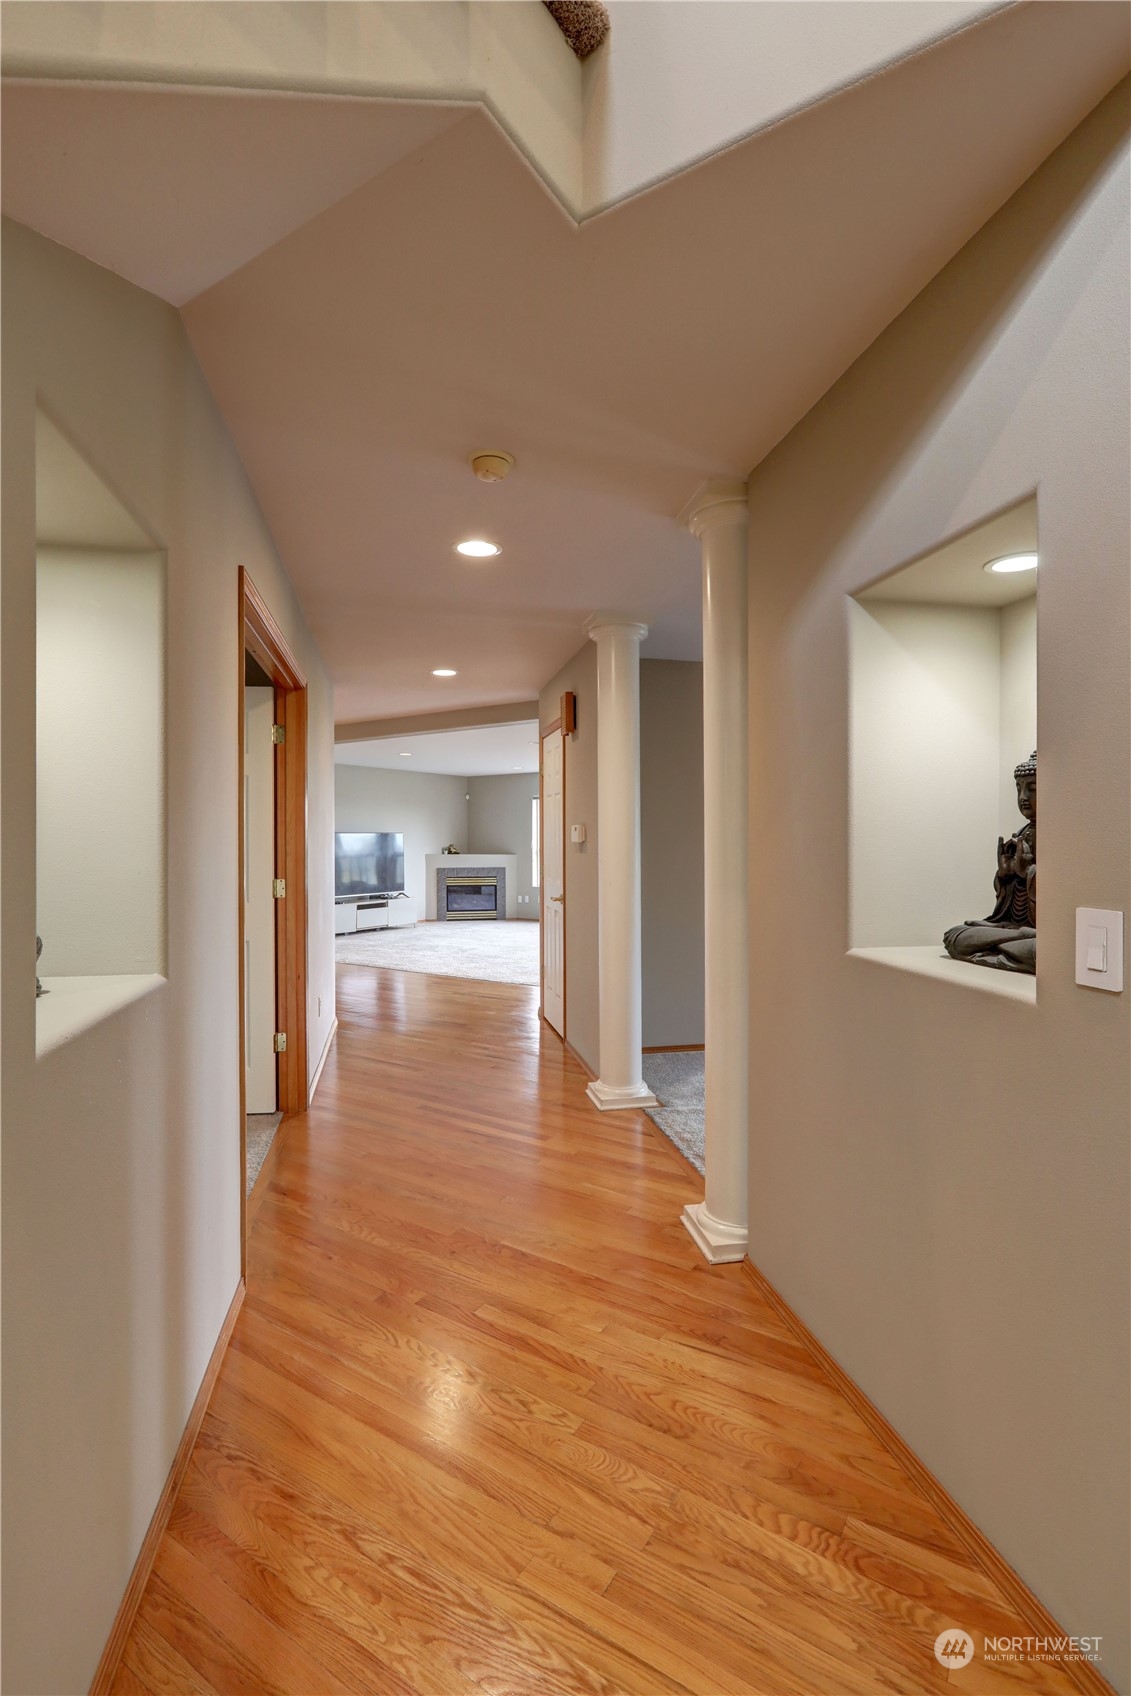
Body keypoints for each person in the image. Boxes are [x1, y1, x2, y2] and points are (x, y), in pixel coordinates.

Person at [943, 752, 1036, 974]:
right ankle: (1015, 941)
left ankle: (1007, 943)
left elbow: (1063, 897)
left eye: (1032, 788)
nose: (1023, 797)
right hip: (1012, 928)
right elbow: (1007, 907)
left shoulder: (1062, 836)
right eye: (1019, 789)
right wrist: (1004, 876)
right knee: (954, 936)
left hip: (1039, 933)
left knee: (1044, 950)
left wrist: (1028, 873)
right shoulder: (1021, 833)